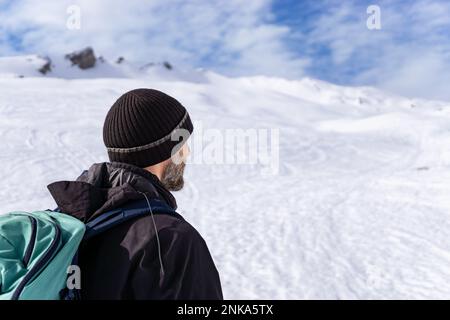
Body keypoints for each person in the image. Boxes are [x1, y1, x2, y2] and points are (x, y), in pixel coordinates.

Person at [47, 88, 223, 300]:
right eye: (183, 144)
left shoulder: (68, 220)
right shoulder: (172, 239)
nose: (187, 153)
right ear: (169, 149)